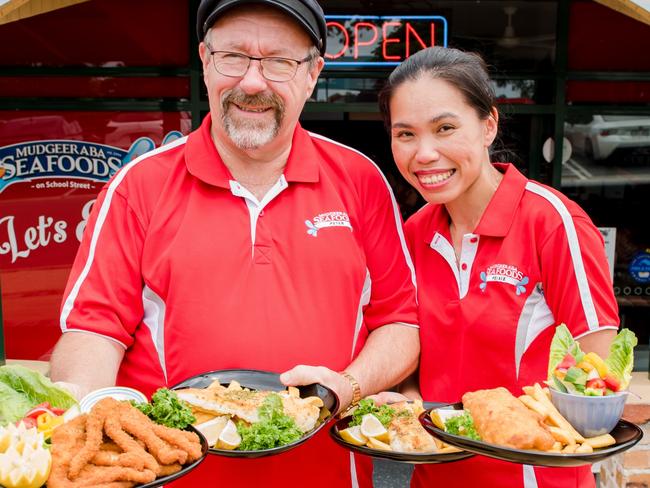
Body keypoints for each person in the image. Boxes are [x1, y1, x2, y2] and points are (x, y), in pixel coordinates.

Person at [49, 1, 420, 486]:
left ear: (312, 74)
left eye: (278, 62)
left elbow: (399, 321)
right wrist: (93, 419)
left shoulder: (361, 179)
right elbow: (93, 330)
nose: (252, 82)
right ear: (205, 60)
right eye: (234, 56)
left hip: (325, 473)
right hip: (174, 473)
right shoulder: (139, 185)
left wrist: (349, 385)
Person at [377, 46, 619, 488]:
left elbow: (597, 376)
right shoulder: (413, 233)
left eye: (445, 128)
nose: (424, 153)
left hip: (534, 476)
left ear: (488, 125)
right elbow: (408, 353)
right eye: (405, 134)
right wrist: (407, 401)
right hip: (435, 475)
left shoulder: (552, 223)